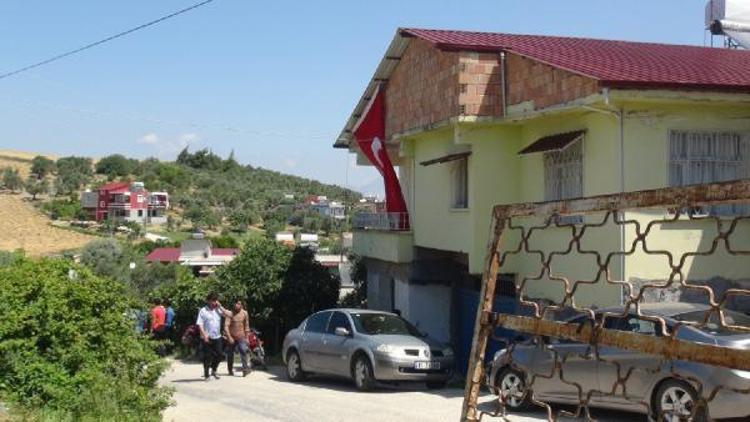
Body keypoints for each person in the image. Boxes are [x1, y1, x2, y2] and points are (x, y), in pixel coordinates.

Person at [196, 293, 230, 380]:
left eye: (216, 300)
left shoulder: (218, 309)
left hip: (217, 337)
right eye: (213, 300)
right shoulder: (203, 311)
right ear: (208, 301)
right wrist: (204, 336)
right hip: (207, 337)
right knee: (207, 356)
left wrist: (220, 306)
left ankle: (214, 369)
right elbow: (200, 324)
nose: (214, 302)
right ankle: (206, 374)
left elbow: (229, 315)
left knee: (220, 355)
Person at [224, 299, 252, 377]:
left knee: (243, 351)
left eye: (239, 304)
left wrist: (247, 338)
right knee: (230, 354)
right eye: (235, 303)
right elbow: (226, 326)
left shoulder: (245, 313)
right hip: (231, 336)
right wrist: (229, 337)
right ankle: (230, 370)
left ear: (241, 305)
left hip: (241, 336)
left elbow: (246, 326)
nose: (237, 305)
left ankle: (245, 370)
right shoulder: (230, 313)